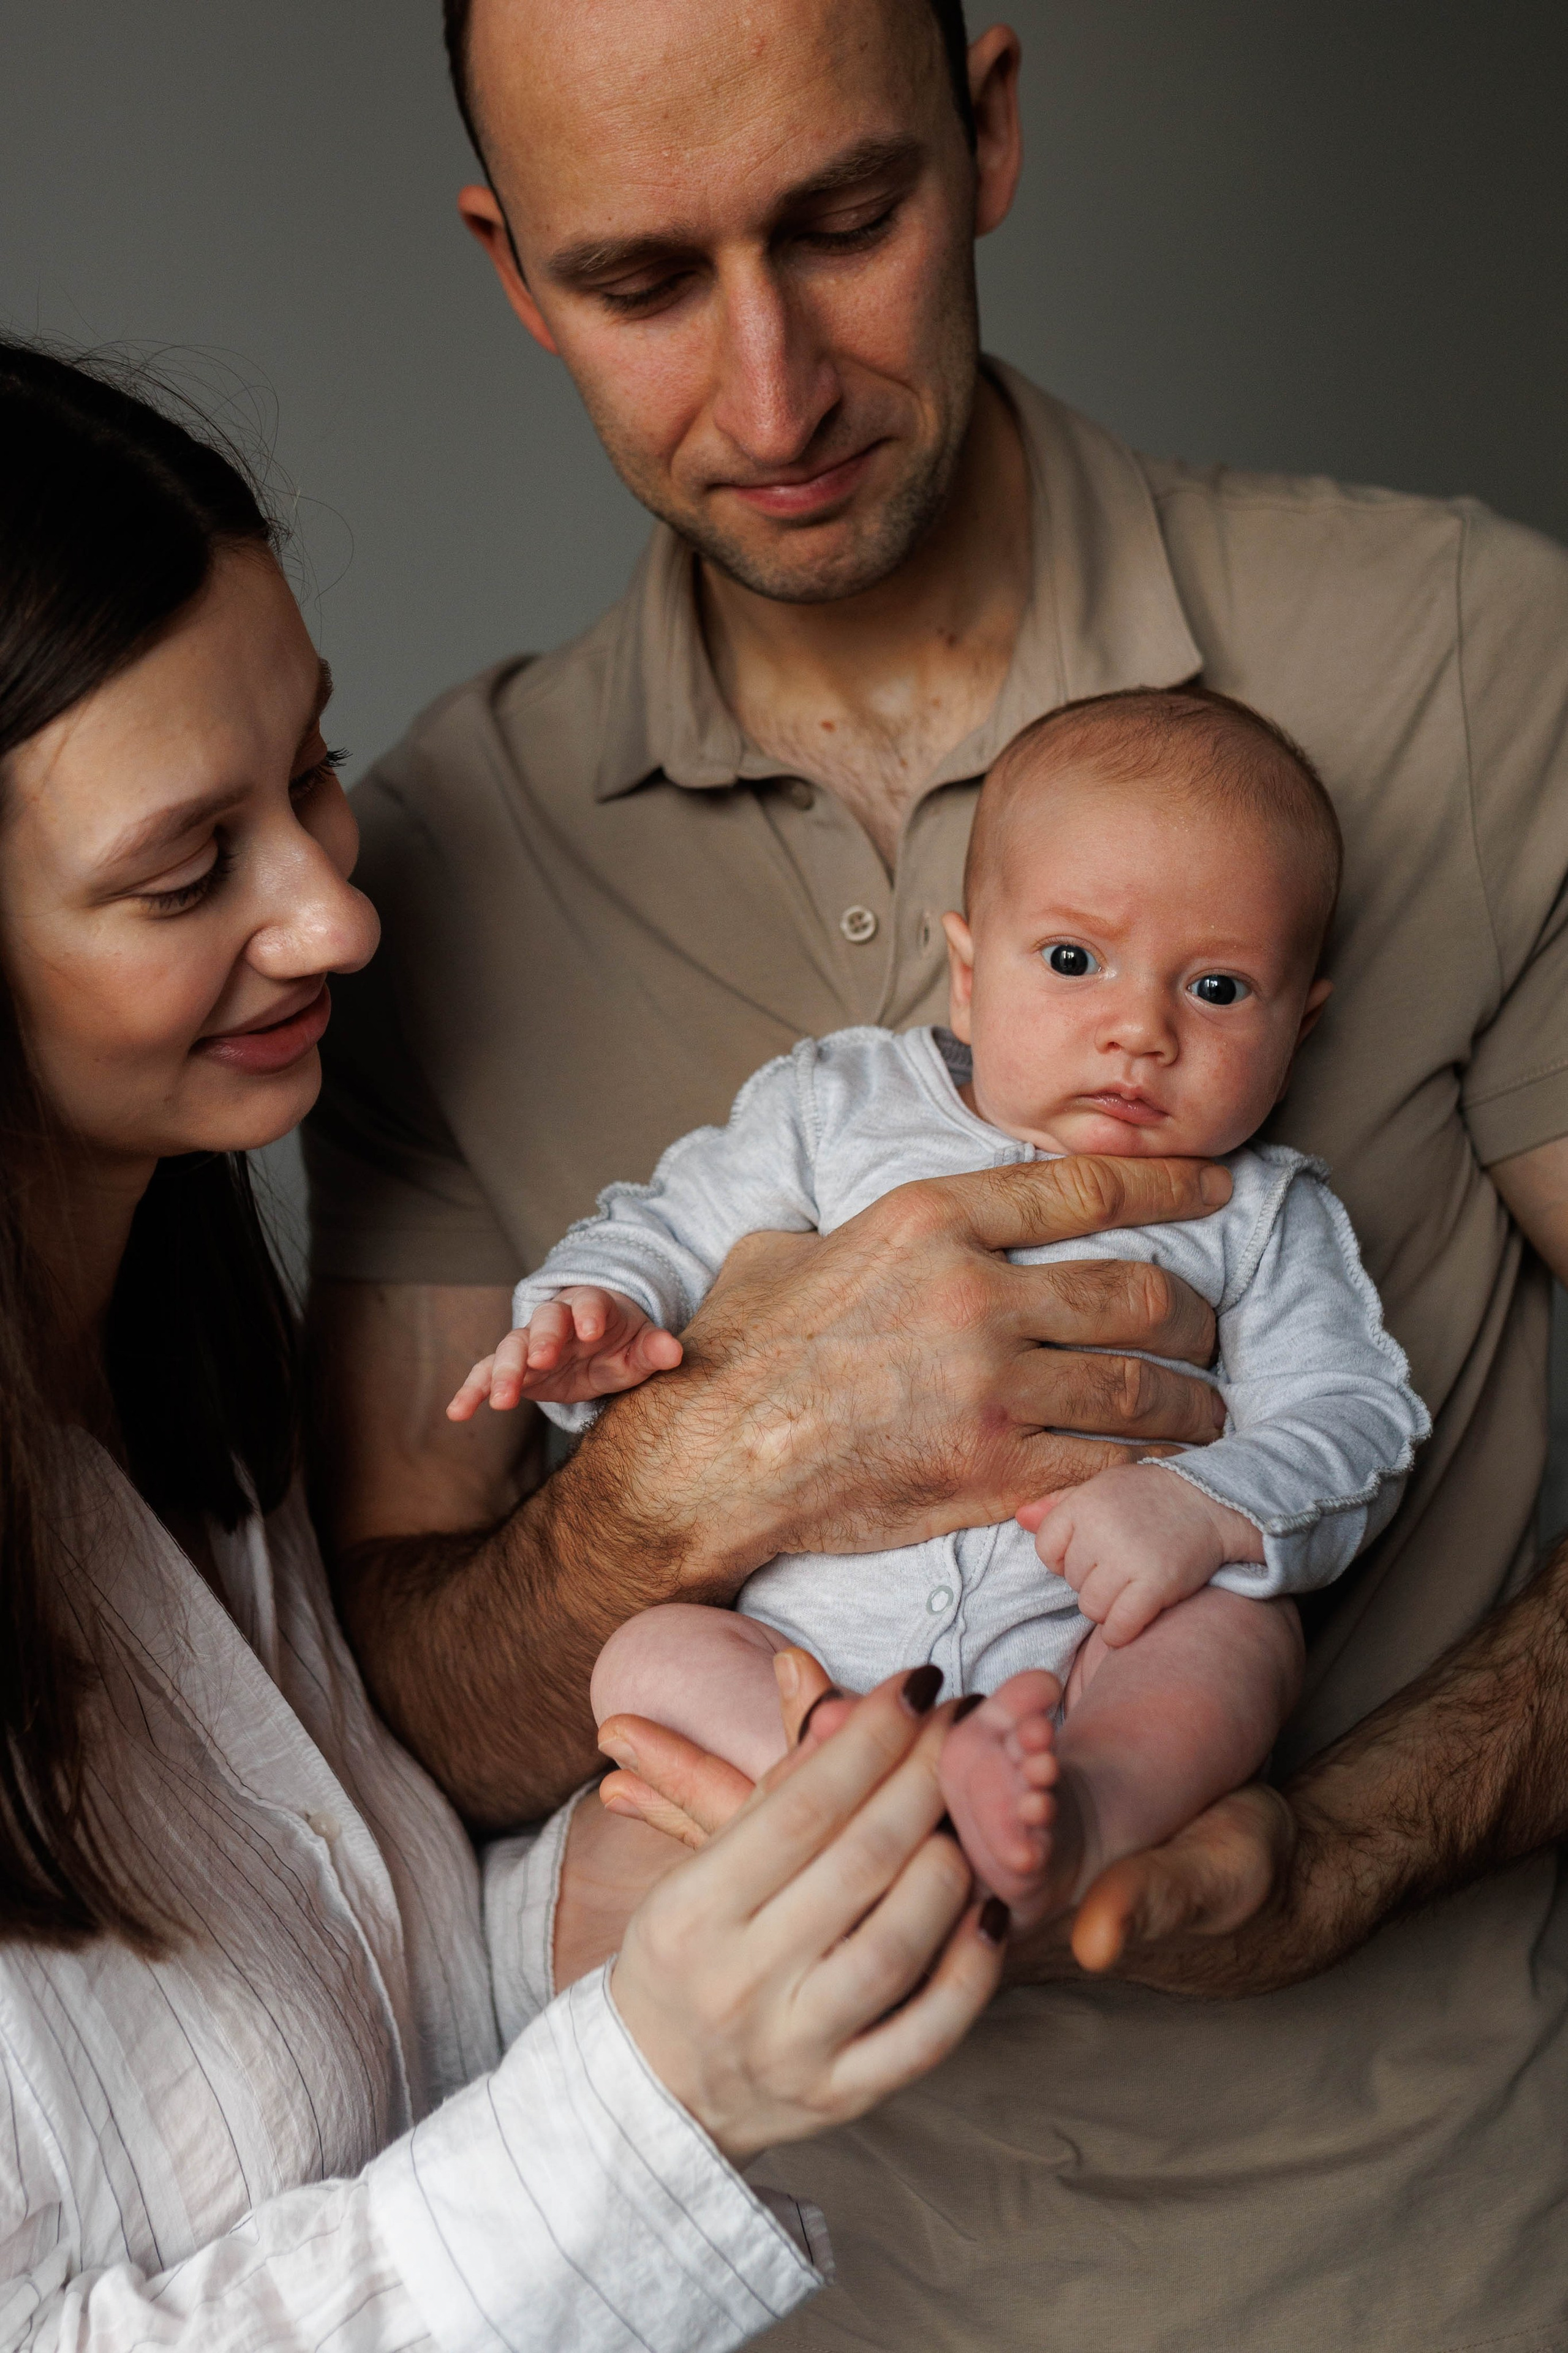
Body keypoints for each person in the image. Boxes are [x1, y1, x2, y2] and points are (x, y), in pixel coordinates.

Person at [302, 0, 1568, 2343]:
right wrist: (709, 1468)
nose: (770, 398)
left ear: (984, 132)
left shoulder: (1468, 665)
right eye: (642, 282)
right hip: (754, 2283)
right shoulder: (424, 860)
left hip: (1400, 2263)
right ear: (506, 267)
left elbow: (1339, 1427)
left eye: (844, 222)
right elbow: (390, 1703)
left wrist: (1362, 1832)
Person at [0, 338, 1009, 2351]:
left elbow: (343, 2017)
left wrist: (618, 1904)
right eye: (188, 872)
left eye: (310, 771)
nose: (335, 919)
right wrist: (657, 2101)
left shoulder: (181, 1390)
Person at [452, 686, 1428, 1935]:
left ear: (1302, 1019)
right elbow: (668, 1222)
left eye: (1220, 989)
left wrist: (1205, 1505)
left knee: (1232, 1644)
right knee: (640, 1660)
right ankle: (835, 1767)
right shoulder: (833, 1106)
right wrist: (595, 1306)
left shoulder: (1259, 1211)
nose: (1139, 1030)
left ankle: (1075, 1809)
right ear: (968, 977)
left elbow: (1358, 1422)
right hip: (805, 1652)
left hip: (1083, 1653)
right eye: (1072, 961)